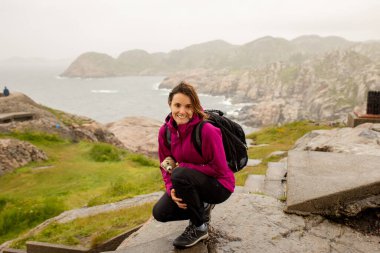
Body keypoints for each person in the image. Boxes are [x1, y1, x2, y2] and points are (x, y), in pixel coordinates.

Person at [153, 82, 235, 248]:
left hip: (219, 186)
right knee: (160, 212)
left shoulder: (207, 131)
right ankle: (201, 205)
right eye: (177, 105)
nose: (182, 111)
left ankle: (199, 227)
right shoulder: (165, 132)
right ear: (170, 104)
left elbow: (220, 169)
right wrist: (171, 189)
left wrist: (185, 167)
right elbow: (166, 165)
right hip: (188, 181)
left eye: (188, 106)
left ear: (195, 107)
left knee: (180, 173)